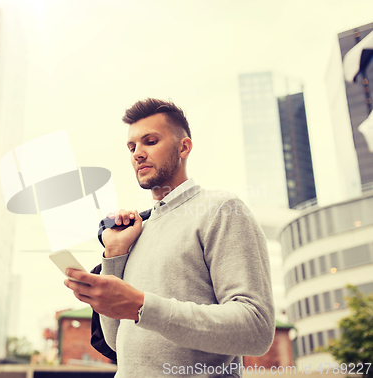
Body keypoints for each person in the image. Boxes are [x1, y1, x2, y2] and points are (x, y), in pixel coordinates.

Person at [64, 98, 275, 377]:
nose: (138, 153)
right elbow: (118, 344)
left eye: (150, 141)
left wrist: (141, 305)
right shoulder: (137, 230)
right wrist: (115, 256)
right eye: (132, 147)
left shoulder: (221, 208)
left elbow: (256, 329)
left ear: (183, 147)